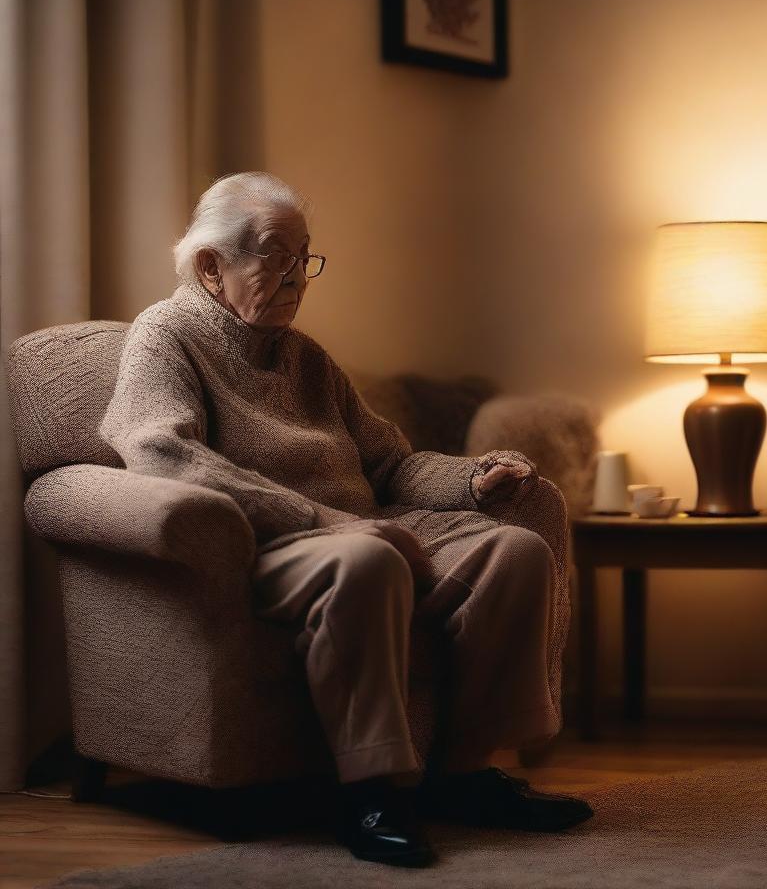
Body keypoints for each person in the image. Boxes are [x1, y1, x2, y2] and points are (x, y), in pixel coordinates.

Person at [98, 171, 593, 867]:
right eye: (277, 256)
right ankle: (371, 794)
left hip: (362, 529)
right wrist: (322, 521)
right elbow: (159, 451)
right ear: (212, 265)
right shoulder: (166, 336)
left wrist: (473, 478)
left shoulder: (305, 357)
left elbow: (389, 464)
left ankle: (466, 773)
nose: (299, 277)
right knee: (367, 559)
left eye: (306, 257)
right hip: (269, 543)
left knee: (513, 551)